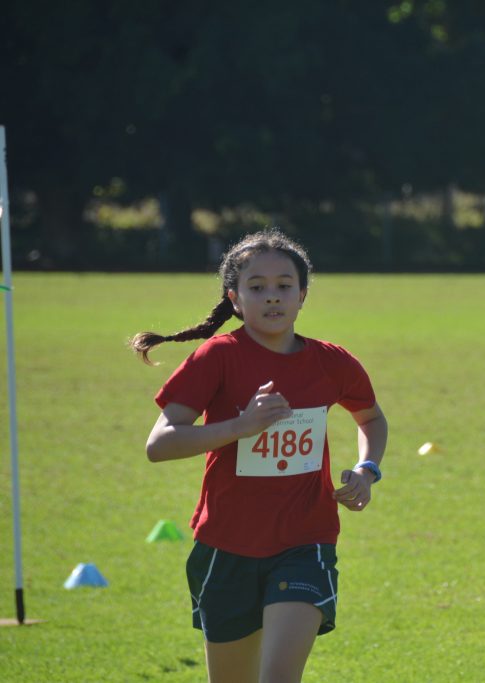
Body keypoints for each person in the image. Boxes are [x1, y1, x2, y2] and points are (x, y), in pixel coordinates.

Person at [130, 229, 388, 683]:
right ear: (235, 298)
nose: (273, 297)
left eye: (285, 285)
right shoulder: (217, 358)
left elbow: (371, 419)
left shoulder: (332, 362)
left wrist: (368, 470)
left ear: (303, 295)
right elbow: (160, 444)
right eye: (257, 287)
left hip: (306, 541)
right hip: (226, 545)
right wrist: (240, 427)